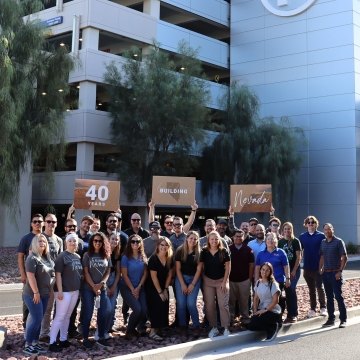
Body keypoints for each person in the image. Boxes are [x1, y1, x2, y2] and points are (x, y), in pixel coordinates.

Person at [48, 233, 83, 352]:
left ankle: (63, 339)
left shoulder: (78, 256)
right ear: (66, 243)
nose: (73, 243)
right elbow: (58, 274)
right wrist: (60, 291)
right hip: (64, 292)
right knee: (59, 316)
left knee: (67, 316)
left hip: (74, 291)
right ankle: (52, 342)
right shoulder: (62, 256)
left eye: (75, 241)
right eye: (70, 241)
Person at [22, 234, 55, 355]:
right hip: (33, 294)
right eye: (40, 241)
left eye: (44, 241)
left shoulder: (46, 258)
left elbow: (51, 274)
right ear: (35, 243)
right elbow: (30, 276)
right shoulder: (32, 258)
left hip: (45, 294)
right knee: (36, 319)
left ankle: (35, 343)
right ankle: (28, 344)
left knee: (39, 319)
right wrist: (36, 292)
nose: (42, 243)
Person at [81, 232, 112, 349]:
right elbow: (86, 272)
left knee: (103, 312)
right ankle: (85, 338)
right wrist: (94, 286)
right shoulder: (87, 255)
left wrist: (102, 284)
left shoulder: (106, 255)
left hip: (102, 288)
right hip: (88, 288)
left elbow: (108, 271)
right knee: (88, 313)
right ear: (92, 242)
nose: (97, 243)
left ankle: (101, 337)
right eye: (95, 241)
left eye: (100, 241)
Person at [200, 230, 231, 338]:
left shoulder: (224, 251)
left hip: (221, 281)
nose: (214, 241)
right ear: (208, 240)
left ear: (219, 240)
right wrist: (203, 279)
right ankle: (214, 327)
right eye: (212, 239)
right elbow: (201, 266)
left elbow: (228, 267)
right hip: (208, 281)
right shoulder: (204, 251)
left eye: (216, 239)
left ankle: (226, 327)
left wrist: (224, 281)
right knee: (209, 305)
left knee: (223, 304)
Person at [17, 214, 44, 330]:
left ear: (43, 223)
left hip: (43, 277)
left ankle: (37, 328)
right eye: (35, 221)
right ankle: (26, 327)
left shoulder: (45, 238)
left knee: (41, 302)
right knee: (28, 300)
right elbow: (20, 257)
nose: (37, 223)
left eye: (39, 221)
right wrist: (23, 274)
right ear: (31, 224)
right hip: (29, 275)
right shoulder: (26, 238)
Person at [39, 213, 63, 342]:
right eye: (48, 222)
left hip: (55, 277)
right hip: (42, 279)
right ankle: (41, 333)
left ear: (56, 223)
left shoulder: (59, 240)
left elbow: (60, 260)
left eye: (53, 222)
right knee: (43, 307)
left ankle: (50, 332)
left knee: (53, 307)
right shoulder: (40, 238)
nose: (51, 224)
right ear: (44, 223)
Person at [319, 223, 348, 328]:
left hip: (335, 273)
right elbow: (322, 256)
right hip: (326, 274)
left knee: (338, 297)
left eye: (329, 229)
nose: (327, 231)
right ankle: (331, 319)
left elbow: (344, 258)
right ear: (324, 231)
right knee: (329, 297)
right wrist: (320, 268)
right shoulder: (323, 242)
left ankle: (343, 320)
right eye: (325, 229)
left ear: (333, 230)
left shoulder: (339, 242)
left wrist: (340, 271)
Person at [146, 236, 174, 341]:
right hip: (153, 287)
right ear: (158, 246)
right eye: (162, 245)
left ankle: (159, 329)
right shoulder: (153, 259)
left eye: (166, 245)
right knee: (156, 306)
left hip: (164, 285)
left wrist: (166, 289)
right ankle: (152, 331)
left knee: (164, 304)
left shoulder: (170, 258)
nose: (164, 247)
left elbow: (170, 275)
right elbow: (153, 277)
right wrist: (160, 292)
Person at [120, 234, 148, 339]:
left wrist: (139, 287)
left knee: (144, 310)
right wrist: (133, 289)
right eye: (133, 241)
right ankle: (129, 331)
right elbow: (124, 275)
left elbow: (145, 273)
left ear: (141, 243)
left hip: (140, 287)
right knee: (137, 309)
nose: (135, 243)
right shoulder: (125, 257)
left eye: (137, 241)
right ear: (129, 243)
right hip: (127, 287)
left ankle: (133, 329)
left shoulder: (143, 256)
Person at [254, 232, 290, 314]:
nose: (270, 241)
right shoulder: (261, 254)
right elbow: (257, 268)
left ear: (276, 241)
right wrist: (256, 280)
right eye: (268, 239)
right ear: (265, 241)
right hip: (264, 282)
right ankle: (266, 316)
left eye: (272, 239)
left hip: (278, 281)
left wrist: (288, 278)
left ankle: (279, 317)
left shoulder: (281, 252)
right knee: (265, 301)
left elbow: (286, 266)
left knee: (278, 300)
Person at [175, 231, 202, 335]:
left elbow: (199, 270)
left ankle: (196, 325)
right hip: (181, 278)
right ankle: (183, 326)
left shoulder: (200, 252)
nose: (193, 240)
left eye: (195, 239)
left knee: (190, 303)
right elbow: (178, 269)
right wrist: (182, 284)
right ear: (187, 238)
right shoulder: (180, 250)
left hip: (194, 279)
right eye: (191, 238)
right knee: (181, 304)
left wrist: (192, 284)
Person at [299, 215, 327, 318]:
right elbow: (299, 251)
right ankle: (312, 309)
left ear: (316, 224)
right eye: (309, 222)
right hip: (307, 267)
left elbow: (324, 252)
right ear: (306, 224)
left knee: (319, 287)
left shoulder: (321, 236)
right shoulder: (302, 236)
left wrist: (322, 266)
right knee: (311, 289)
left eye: (313, 222)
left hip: (318, 267)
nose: (311, 224)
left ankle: (323, 307)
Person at [247, 262, 282, 341]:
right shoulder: (258, 282)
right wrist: (255, 311)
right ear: (260, 270)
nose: (264, 272)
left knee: (259, 321)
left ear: (270, 272)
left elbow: (275, 301)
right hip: (262, 309)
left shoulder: (273, 284)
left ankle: (274, 327)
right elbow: (255, 298)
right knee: (252, 325)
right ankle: (269, 325)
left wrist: (264, 310)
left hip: (272, 311)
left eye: (267, 270)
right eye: (263, 269)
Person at [229, 229, 254, 325]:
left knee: (244, 301)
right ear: (233, 237)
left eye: (240, 236)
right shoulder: (229, 249)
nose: (238, 238)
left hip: (244, 280)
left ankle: (245, 317)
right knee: (231, 301)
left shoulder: (248, 250)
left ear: (243, 237)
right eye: (236, 236)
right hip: (231, 280)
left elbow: (251, 265)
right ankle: (231, 318)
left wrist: (249, 278)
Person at [99, 231, 122, 338]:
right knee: (104, 307)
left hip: (114, 280)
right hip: (103, 280)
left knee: (112, 307)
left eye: (117, 239)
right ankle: (100, 330)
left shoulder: (117, 255)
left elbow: (118, 272)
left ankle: (107, 329)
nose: (115, 241)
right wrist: (106, 287)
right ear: (108, 239)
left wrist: (113, 286)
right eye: (113, 239)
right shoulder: (102, 253)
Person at [278, 222, 302, 323]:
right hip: (283, 270)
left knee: (291, 290)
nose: (287, 231)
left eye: (289, 229)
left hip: (294, 270)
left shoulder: (295, 241)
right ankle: (281, 314)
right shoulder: (280, 242)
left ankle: (293, 314)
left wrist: (293, 270)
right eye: (286, 229)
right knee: (282, 292)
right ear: (283, 230)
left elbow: (298, 257)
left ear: (292, 230)